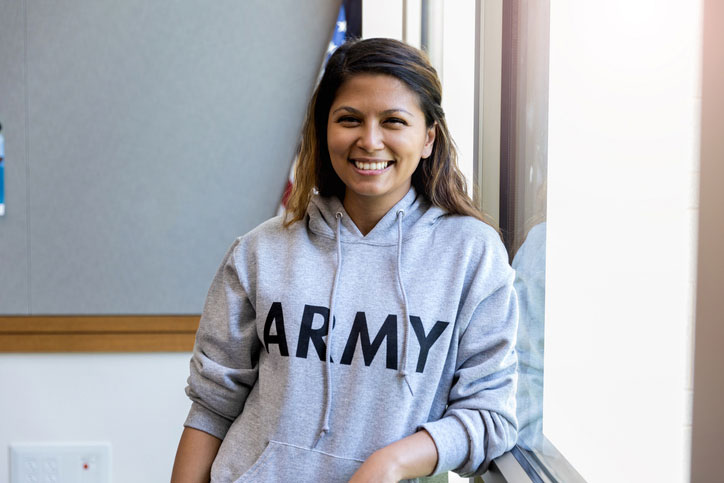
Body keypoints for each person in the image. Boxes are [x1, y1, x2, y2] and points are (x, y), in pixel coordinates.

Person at [171, 38, 518, 483]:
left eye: (393, 121)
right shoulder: (260, 251)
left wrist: (389, 463)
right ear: (324, 130)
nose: (369, 141)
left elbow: (491, 416)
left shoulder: (472, 254)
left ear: (428, 137)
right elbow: (212, 404)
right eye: (349, 119)